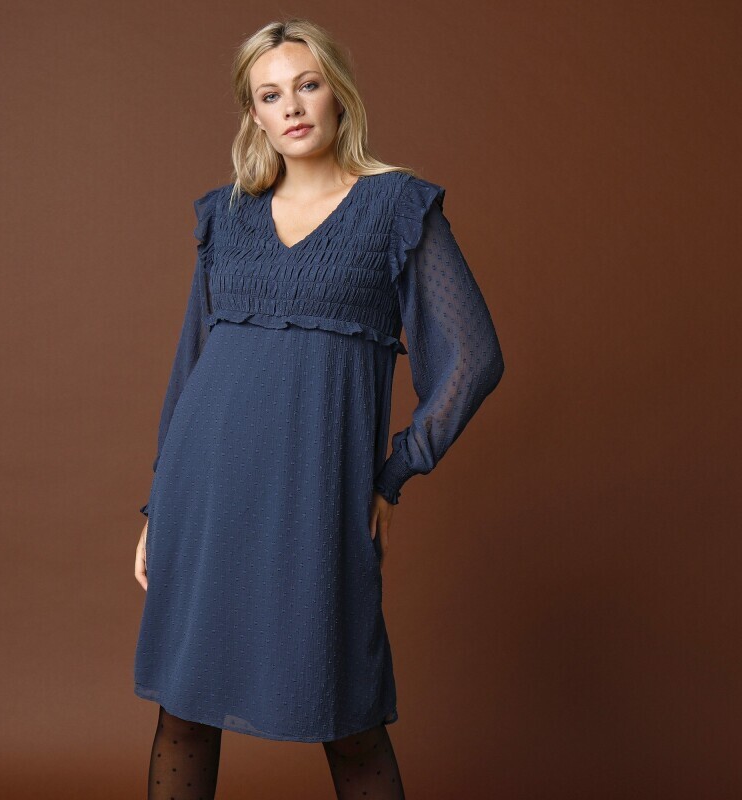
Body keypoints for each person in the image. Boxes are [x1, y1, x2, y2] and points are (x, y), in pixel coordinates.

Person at [132, 17, 505, 800]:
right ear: (254, 114)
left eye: (307, 85)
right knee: (185, 710)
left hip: (317, 497)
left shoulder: (397, 206)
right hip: (205, 492)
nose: (293, 106)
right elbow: (190, 365)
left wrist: (394, 473)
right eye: (271, 95)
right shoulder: (226, 216)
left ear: (338, 93)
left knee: (349, 714)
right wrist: (157, 504)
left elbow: (474, 358)